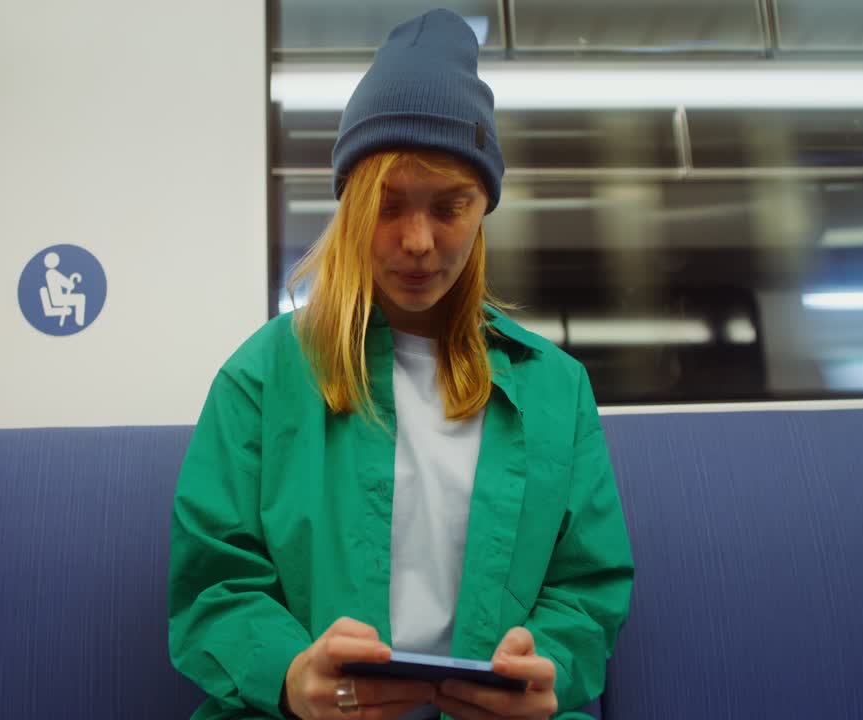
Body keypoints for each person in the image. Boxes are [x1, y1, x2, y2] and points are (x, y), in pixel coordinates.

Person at [169, 9, 633, 719]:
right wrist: (291, 677)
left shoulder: (555, 391)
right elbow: (214, 584)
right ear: (350, 203)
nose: (418, 241)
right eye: (388, 204)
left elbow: (585, 587)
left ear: (485, 206)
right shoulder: (262, 377)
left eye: (450, 205)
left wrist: (551, 670)